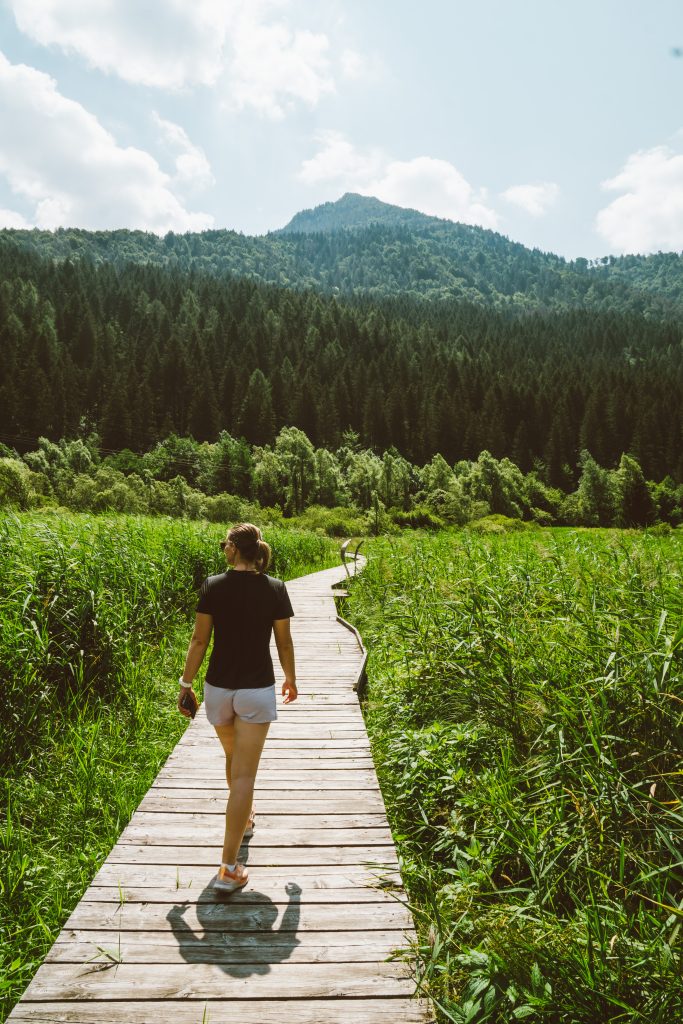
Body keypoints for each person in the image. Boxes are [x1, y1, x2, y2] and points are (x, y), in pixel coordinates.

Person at [177, 522, 296, 893]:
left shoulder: (213, 586)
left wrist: (185, 684)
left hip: (218, 689)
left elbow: (199, 641)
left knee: (232, 756)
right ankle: (229, 868)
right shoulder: (275, 589)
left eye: (224, 543)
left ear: (233, 549)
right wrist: (291, 678)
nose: (222, 547)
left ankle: (243, 820)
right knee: (244, 775)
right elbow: (284, 641)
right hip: (256, 690)